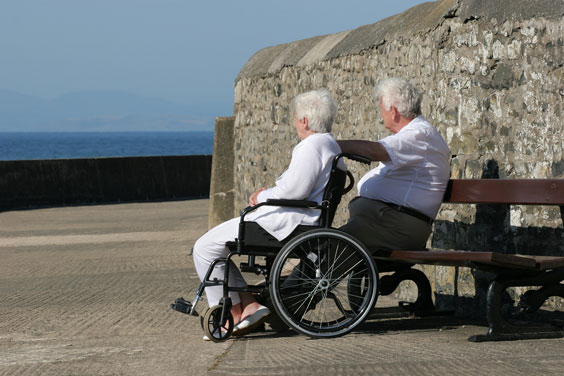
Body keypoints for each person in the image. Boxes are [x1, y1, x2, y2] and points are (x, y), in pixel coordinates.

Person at [193, 88, 345, 339]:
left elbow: (295, 190)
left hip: (287, 222)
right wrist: (270, 193)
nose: (295, 123)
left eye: (296, 118)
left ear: (304, 121)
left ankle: (232, 310)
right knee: (213, 246)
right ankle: (247, 304)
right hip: (295, 218)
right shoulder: (329, 144)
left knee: (204, 247)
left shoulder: (311, 146)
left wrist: (261, 196)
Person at [338, 78, 450, 251]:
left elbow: (376, 151)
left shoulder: (419, 134)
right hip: (387, 221)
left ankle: (297, 278)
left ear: (393, 111)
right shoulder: (411, 136)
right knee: (329, 246)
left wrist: (331, 145)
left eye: (382, 108)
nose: (381, 114)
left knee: (333, 246)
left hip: (398, 226)